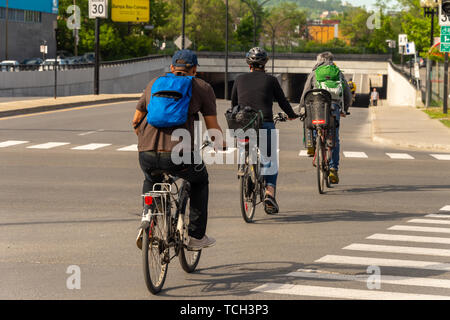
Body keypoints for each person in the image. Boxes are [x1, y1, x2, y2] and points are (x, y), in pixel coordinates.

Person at [132, 49, 225, 251]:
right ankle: (196, 236)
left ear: (172, 67)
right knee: (200, 180)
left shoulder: (154, 83)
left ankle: (148, 220)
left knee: (151, 178)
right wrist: (220, 144)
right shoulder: (201, 86)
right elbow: (212, 127)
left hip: (146, 150)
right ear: (194, 69)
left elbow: (136, 119)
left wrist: (146, 140)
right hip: (179, 155)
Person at [231, 47, 298, 215]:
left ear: (249, 64)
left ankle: (243, 167)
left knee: (244, 146)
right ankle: (269, 193)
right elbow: (282, 101)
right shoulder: (271, 80)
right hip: (265, 122)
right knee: (270, 158)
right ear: (265, 63)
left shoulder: (239, 79)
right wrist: (291, 115)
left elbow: (233, 105)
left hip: (243, 125)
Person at [299, 52, 352, 184]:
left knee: (310, 121)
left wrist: (301, 107)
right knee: (334, 137)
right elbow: (347, 94)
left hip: (317, 107)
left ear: (319, 60)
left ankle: (312, 145)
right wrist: (345, 109)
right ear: (332, 60)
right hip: (334, 107)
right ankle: (333, 168)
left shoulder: (314, 73)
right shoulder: (338, 73)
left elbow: (306, 93)